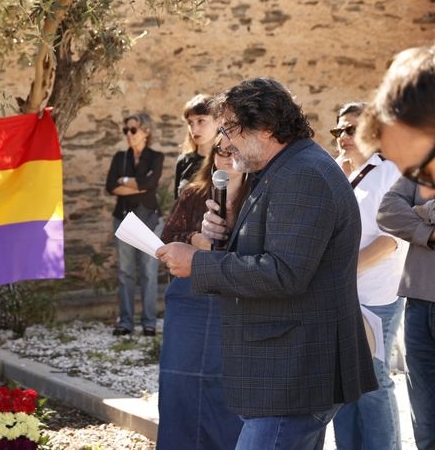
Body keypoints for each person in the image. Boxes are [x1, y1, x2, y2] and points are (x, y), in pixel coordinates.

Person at [155, 78, 377, 450]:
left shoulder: (303, 174)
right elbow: (278, 248)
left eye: (230, 130)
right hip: (287, 370)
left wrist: (199, 263)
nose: (224, 143)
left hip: (294, 374)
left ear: (267, 128)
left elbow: (284, 273)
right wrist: (230, 228)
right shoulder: (284, 167)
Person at [358, 45, 435, 450]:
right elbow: (390, 210)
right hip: (419, 298)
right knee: (426, 424)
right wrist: (428, 229)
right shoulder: (416, 166)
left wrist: (421, 209)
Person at [157, 139, 245, 449]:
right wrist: (197, 239)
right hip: (191, 298)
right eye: (222, 151)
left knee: (226, 385)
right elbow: (169, 235)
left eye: (235, 151)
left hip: (235, 298)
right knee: (181, 380)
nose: (228, 157)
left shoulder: (259, 197)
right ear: (213, 156)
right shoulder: (194, 194)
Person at [330, 102, 406, 450]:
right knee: (343, 383)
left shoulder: (391, 173)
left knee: (372, 382)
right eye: (338, 130)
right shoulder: (336, 172)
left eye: (351, 129)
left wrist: (342, 272)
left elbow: (392, 240)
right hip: (337, 295)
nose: (343, 136)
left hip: (376, 295)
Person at [105, 113, 165, 336]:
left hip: (149, 219)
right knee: (125, 272)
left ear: (146, 131)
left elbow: (151, 183)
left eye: (133, 130)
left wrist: (125, 181)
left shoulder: (156, 157)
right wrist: (138, 185)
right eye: (126, 130)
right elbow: (110, 186)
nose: (129, 135)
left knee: (149, 272)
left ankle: (149, 322)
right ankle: (126, 322)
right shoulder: (120, 157)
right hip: (123, 219)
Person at [174, 94, 217, 199]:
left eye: (200, 121)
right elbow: (177, 203)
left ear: (218, 122)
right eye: (190, 122)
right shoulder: (183, 161)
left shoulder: (226, 161)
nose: (194, 129)